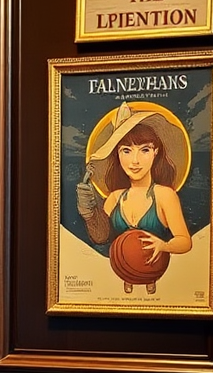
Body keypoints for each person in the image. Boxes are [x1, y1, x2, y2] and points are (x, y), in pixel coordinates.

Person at [76, 101, 192, 293]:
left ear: (156, 152)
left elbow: (185, 241)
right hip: (122, 269)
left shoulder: (165, 196)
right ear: (118, 155)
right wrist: (88, 212)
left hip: (155, 269)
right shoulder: (114, 197)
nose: (135, 161)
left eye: (144, 150)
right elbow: (100, 237)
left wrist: (164, 245)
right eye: (126, 151)